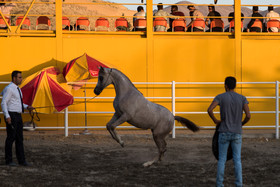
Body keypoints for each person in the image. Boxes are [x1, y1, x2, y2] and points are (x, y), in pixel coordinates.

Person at [207, 76, 251, 187]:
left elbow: (209, 109)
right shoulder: (242, 98)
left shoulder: (220, 97)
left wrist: (216, 120)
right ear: (235, 86)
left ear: (226, 85)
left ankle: (220, 184)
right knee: (237, 160)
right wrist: (241, 124)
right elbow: (248, 116)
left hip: (224, 132)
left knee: (222, 159)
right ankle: (239, 184)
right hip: (237, 132)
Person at [1, 71, 34, 166]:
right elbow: (3, 103)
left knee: (20, 138)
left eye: (21, 77)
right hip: (12, 115)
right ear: (14, 78)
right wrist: (7, 116)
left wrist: (27, 107)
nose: (21, 79)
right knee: (11, 138)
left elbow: (17, 103)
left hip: (18, 115)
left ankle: (22, 160)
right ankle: (9, 160)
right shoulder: (9, 89)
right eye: (19, 77)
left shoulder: (17, 89)